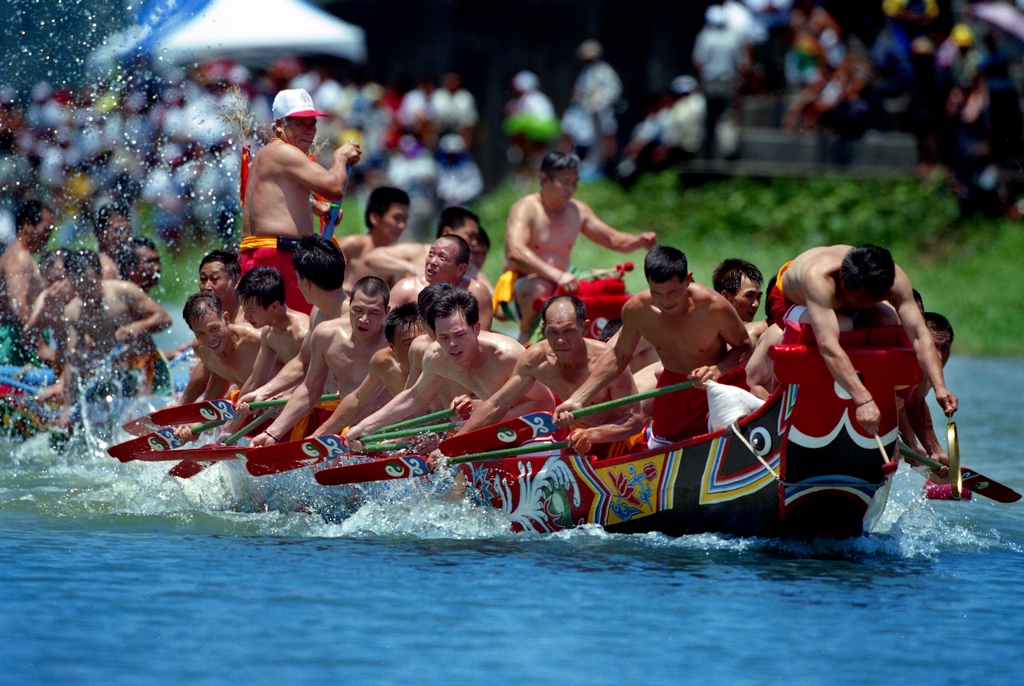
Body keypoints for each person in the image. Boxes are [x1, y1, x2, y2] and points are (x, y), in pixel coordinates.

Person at [554, 246, 752, 448]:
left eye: (673, 292)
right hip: (673, 390)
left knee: (733, 445)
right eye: (657, 293)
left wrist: (717, 370)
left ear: (687, 279)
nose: (666, 302)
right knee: (661, 455)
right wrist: (577, 399)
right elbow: (618, 357)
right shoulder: (637, 310)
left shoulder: (713, 306)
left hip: (718, 385)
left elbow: (744, 346)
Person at [754, 244, 957, 436]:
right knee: (843, 326)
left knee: (889, 320)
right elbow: (829, 346)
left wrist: (940, 387)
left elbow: (921, 336)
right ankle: (832, 398)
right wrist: (863, 401)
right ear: (843, 282)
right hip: (791, 301)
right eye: (862, 298)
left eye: (875, 297)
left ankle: (884, 407)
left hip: (840, 301)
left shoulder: (894, 278)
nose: (869, 305)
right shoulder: (819, 278)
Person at [346, 289, 554, 449]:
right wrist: (364, 427)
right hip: (485, 428)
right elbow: (414, 397)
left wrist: (472, 428)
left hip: (536, 428)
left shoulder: (507, 356)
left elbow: (545, 403)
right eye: (444, 337)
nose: (452, 345)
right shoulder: (437, 356)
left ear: (477, 329)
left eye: (460, 335)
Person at [457, 295, 643, 459]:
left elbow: (634, 421)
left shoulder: (607, 362)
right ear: (544, 329)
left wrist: (595, 435)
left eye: (569, 331)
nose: (560, 341)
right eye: (553, 332)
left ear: (584, 328)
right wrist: (456, 442)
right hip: (574, 437)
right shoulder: (535, 360)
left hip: (617, 438)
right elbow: (498, 404)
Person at [497, 152, 657, 343]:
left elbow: (613, 238)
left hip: (565, 280)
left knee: (609, 281)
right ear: (545, 179)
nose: (570, 188)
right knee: (541, 286)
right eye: (565, 182)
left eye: (574, 182)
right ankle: (525, 337)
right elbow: (515, 252)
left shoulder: (577, 210)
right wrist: (555, 275)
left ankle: (608, 339)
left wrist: (638, 240)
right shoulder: (526, 208)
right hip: (523, 284)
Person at [239, 88, 361, 314]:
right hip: (277, 256)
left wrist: (313, 206)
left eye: (312, 123)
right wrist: (340, 157)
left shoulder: (266, 155)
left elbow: (271, 204)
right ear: (279, 125)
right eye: (299, 123)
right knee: (305, 328)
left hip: (260, 254)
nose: (309, 130)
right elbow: (334, 188)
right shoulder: (284, 152)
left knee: (276, 339)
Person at [250, 276, 390, 446]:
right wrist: (273, 433)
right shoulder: (327, 335)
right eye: (358, 310)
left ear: (387, 311)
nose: (364, 319)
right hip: (347, 432)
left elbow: (415, 397)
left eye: (374, 313)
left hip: (387, 434)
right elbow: (310, 388)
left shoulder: (394, 345)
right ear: (350, 304)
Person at [235, 234, 352, 411]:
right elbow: (302, 363)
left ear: (307, 283)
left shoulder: (354, 319)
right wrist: (264, 393)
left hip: (352, 415)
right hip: (330, 409)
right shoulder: (317, 313)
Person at [60, 249, 173, 400]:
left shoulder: (123, 291)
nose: (87, 292)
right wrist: (68, 406)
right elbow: (73, 361)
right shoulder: (72, 313)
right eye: (79, 287)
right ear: (70, 281)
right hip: (114, 376)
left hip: (147, 367)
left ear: (100, 275)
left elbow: (165, 319)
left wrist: (137, 327)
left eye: (91, 283)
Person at [312, 302, 424, 437]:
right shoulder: (383, 362)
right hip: (407, 436)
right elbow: (358, 400)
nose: (417, 348)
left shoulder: (441, 359)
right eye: (408, 344)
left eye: (421, 341)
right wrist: (317, 437)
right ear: (392, 346)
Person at [234, 266, 309, 400]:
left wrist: (284, 396)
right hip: (297, 401)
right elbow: (255, 382)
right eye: (244, 310)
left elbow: (316, 381)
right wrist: (236, 411)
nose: (245, 317)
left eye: (251, 311)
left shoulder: (302, 333)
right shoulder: (269, 332)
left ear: (274, 306)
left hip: (322, 402)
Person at [388, 235, 493, 330]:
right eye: (431, 254)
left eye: (442, 258)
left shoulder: (477, 292)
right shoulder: (404, 289)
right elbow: (389, 335)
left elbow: (482, 337)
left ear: (460, 269)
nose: (432, 261)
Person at [900, 311, 954, 482]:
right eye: (932, 346)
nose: (938, 356)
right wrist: (934, 450)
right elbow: (908, 402)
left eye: (944, 347)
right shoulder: (906, 361)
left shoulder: (927, 372)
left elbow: (909, 402)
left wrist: (915, 444)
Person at [0, 200, 53, 365]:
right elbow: (19, 305)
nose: (49, 235)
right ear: (27, 226)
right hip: (13, 340)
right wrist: (40, 346)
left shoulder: (24, 256)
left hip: (23, 337)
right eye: (46, 229)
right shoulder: (19, 257)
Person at [336, 186, 412, 290]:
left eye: (405, 220)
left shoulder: (394, 258)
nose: (402, 225)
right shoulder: (353, 244)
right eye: (397, 218)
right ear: (374, 218)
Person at [712, 258, 766, 344]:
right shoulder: (710, 336)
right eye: (749, 296)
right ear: (725, 296)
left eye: (758, 297)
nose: (756, 304)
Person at [92, 205, 133, 281]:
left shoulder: (129, 265)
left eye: (128, 230)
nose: (126, 236)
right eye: (119, 230)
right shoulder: (104, 270)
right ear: (101, 234)